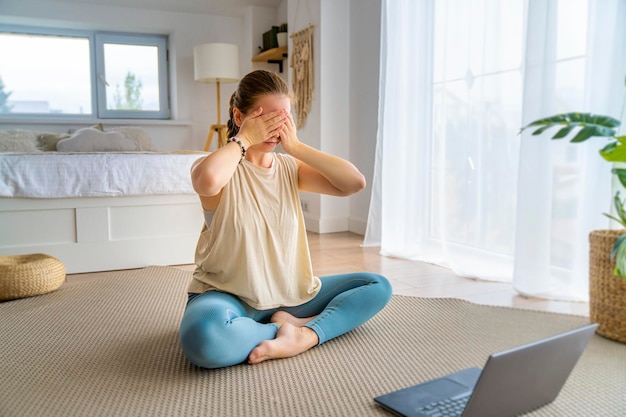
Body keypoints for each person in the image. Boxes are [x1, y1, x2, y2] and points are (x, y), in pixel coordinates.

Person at [179, 69, 392, 369]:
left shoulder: (290, 167)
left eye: (283, 119)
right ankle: (281, 330)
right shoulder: (222, 168)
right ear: (239, 117)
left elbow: (354, 183)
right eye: (264, 118)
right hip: (229, 298)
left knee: (376, 286)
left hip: (292, 296)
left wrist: (296, 147)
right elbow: (206, 181)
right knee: (205, 338)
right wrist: (244, 140)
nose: (274, 128)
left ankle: (304, 335)